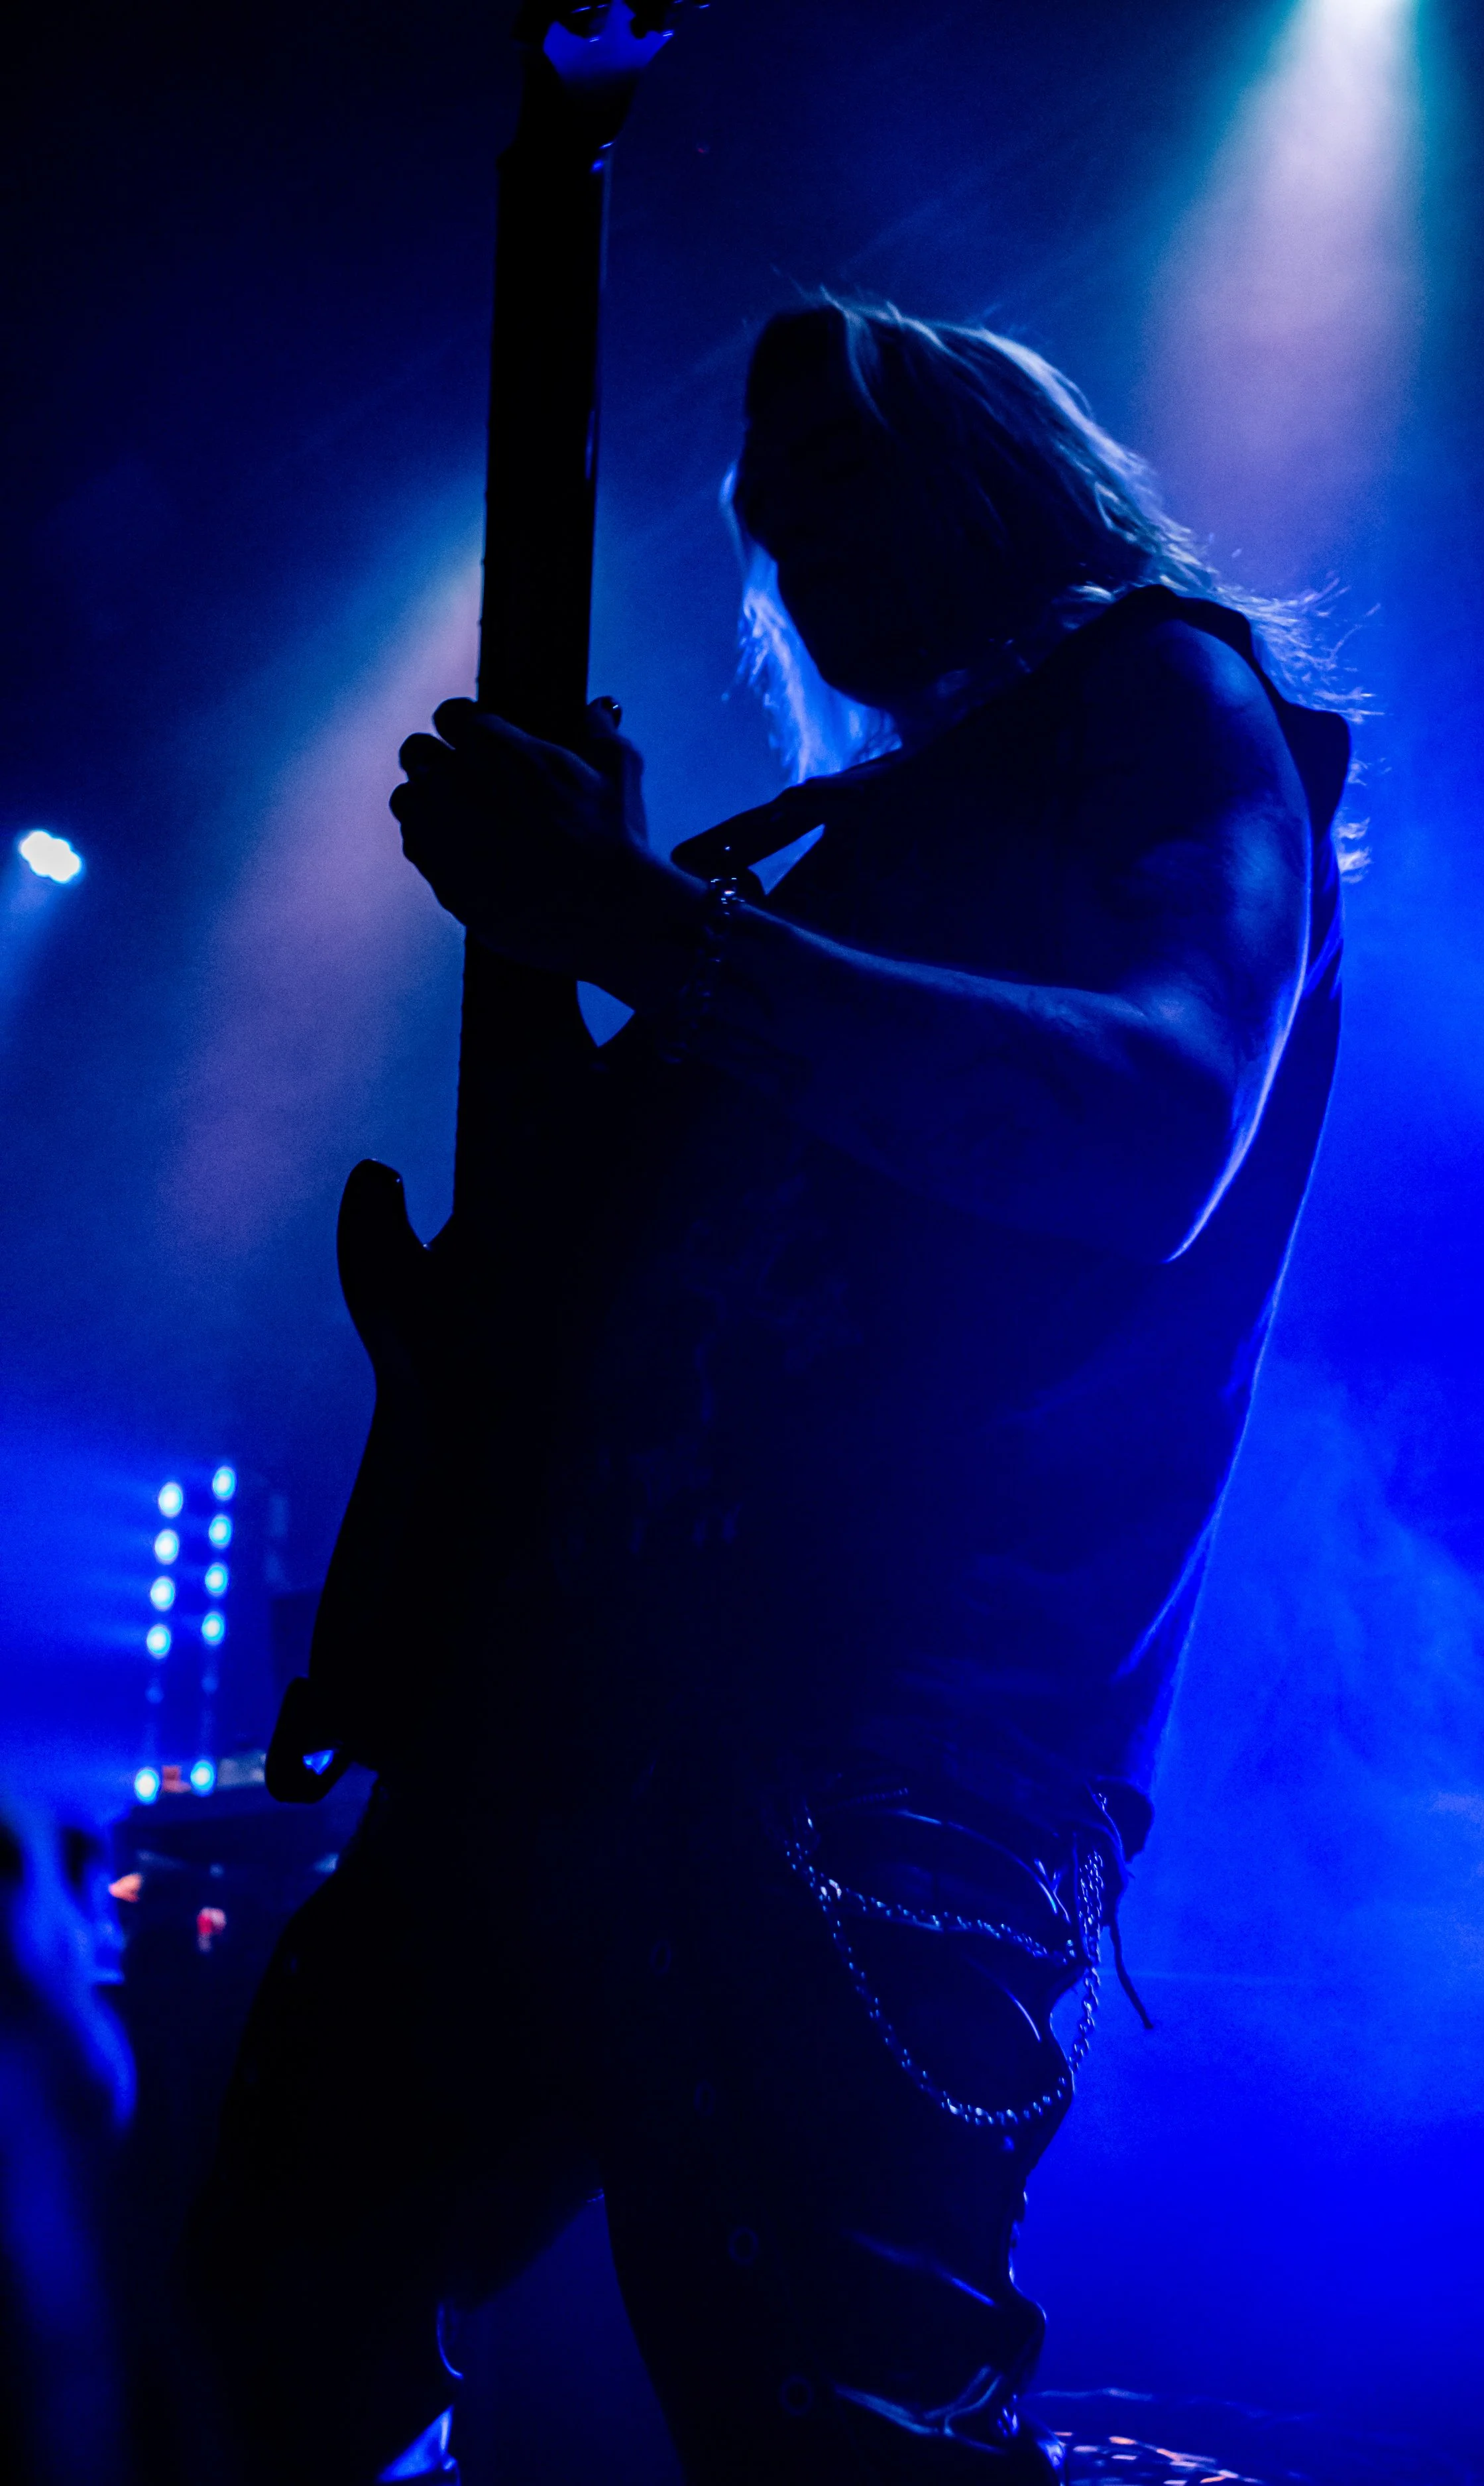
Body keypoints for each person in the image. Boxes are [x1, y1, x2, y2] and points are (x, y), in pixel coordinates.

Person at [188, 300, 1348, 2485]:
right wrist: (594, 963)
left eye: (847, 460)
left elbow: (1146, 1126)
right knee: (268, 2350)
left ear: (1009, 462)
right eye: (769, 502)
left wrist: (635, 923)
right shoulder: (831, 859)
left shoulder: (1168, 693)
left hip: (867, 1762)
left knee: (837, 2432)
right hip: (548, 1735)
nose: (799, 527)